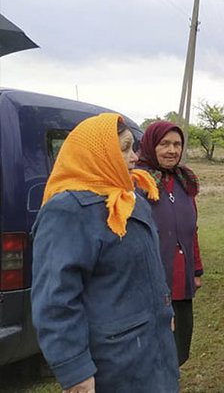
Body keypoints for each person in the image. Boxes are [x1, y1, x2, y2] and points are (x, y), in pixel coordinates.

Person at [31, 113, 179, 392]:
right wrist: (75, 370)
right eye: (124, 148)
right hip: (113, 362)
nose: (135, 157)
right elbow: (55, 300)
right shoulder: (68, 210)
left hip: (153, 348)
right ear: (96, 153)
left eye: (133, 147)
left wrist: (164, 311)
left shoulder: (130, 199)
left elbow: (150, 269)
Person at [136, 121, 203, 366]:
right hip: (149, 279)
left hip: (180, 278)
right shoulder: (137, 182)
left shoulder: (184, 181)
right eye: (164, 144)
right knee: (152, 350)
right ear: (150, 145)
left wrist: (196, 270)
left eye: (177, 144)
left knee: (177, 349)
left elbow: (191, 230)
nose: (172, 150)